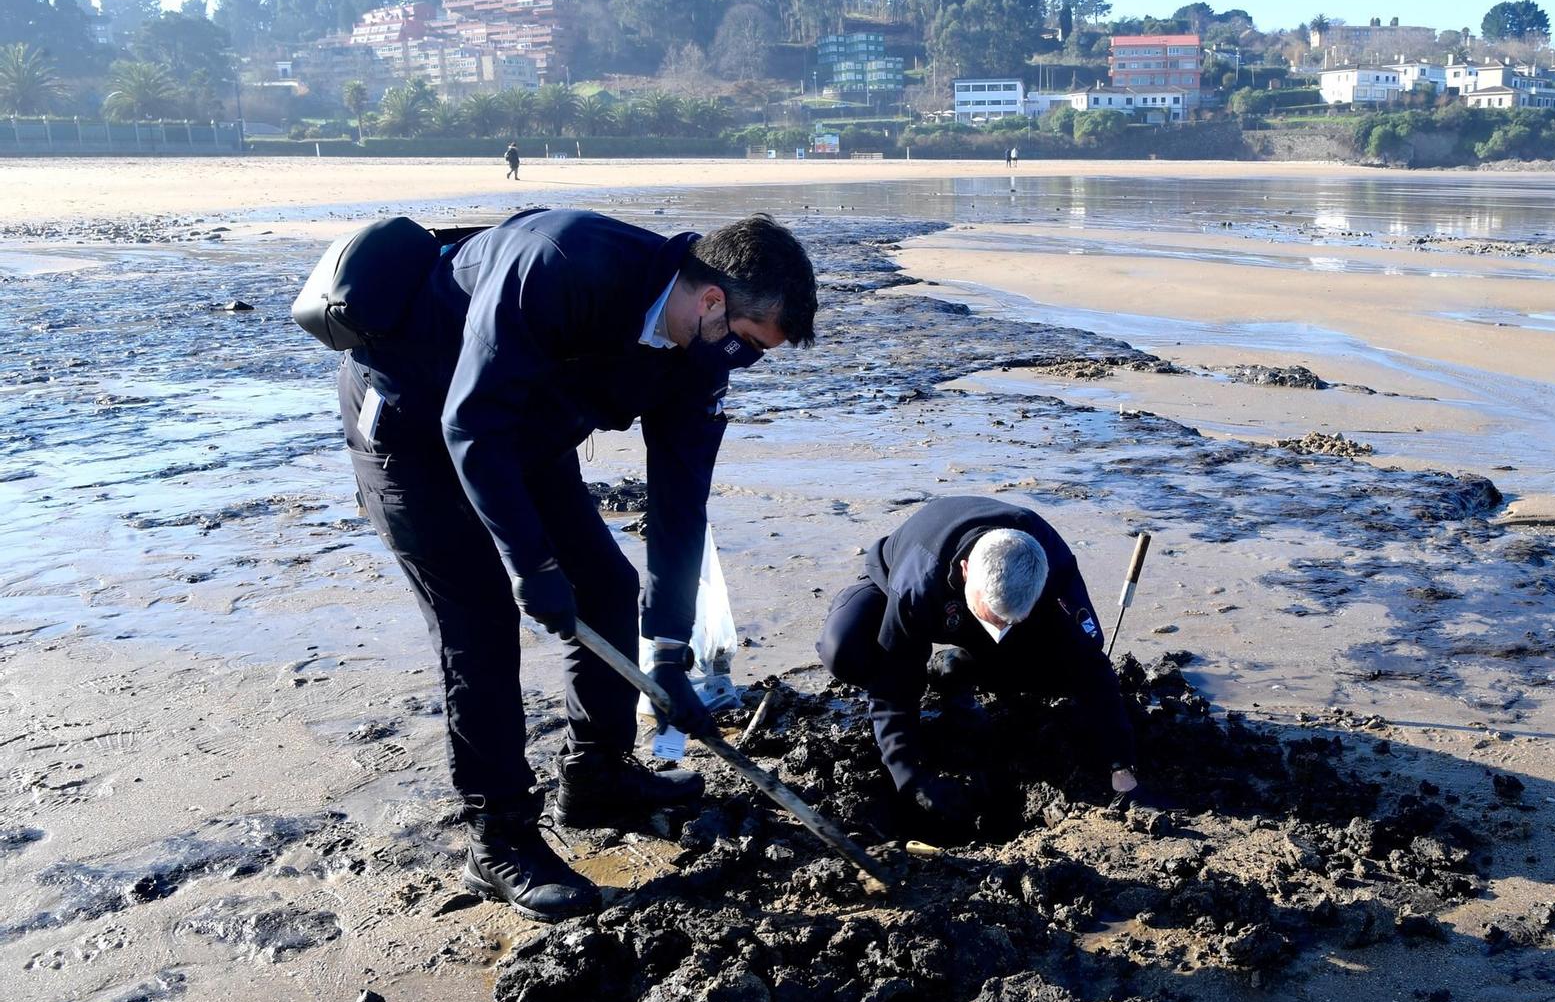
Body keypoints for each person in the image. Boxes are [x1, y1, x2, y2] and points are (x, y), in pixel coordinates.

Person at [339, 209, 817, 921]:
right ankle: (496, 837)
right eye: (747, 345)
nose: (743, 363)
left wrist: (669, 648)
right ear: (713, 300)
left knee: (605, 585)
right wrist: (529, 563)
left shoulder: (697, 355)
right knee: (480, 624)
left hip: (526, 430)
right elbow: (469, 424)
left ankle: (597, 777)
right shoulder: (563, 263)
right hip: (414, 427)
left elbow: (681, 498)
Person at [816, 497, 1141, 833]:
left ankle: (960, 668)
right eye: (992, 621)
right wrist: (909, 777)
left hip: (987, 607)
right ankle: (959, 656)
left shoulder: (1053, 567)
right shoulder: (918, 581)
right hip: (896, 587)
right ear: (966, 569)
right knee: (844, 650)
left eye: (1008, 623)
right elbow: (893, 688)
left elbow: (1091, 667)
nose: (998, 635)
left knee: (1063, 667)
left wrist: (1121, 765)